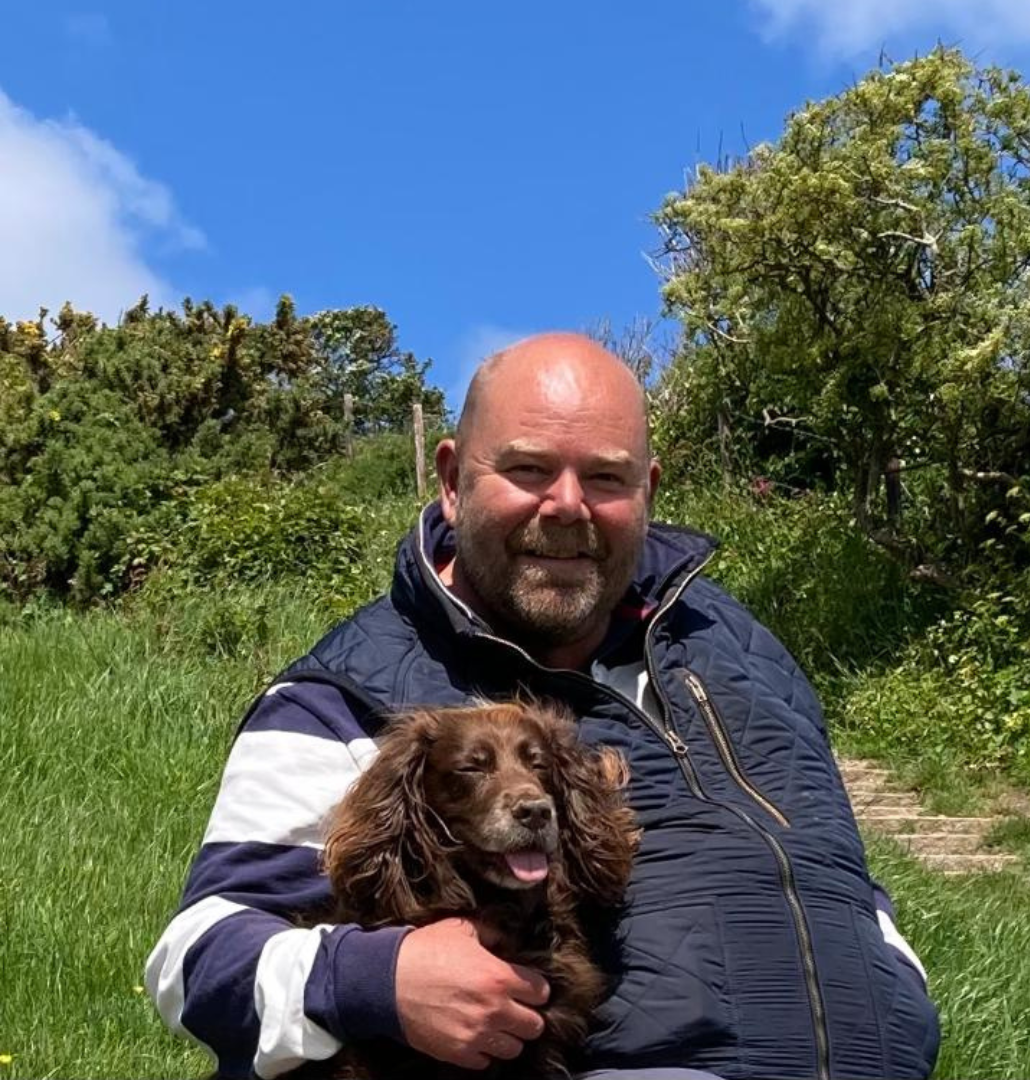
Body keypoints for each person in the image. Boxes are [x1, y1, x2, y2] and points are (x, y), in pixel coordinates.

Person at [146, 333, 940, 1080]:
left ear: (647, 490)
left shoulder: (743, 651)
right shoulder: (343, 694)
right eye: (528, 470)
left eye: (604, 477)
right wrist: (374, 980)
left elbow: (832, 857)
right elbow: (195, 960)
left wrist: (894, 974)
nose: (566, 506)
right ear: (452, 480)